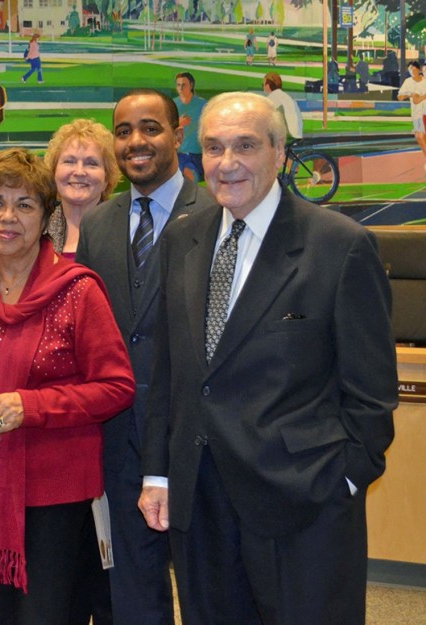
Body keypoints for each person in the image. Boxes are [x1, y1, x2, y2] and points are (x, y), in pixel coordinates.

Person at [139, 92, 397, 625]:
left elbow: (371, 392)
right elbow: (172, 372)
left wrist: (345, 479)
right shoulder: (182, 239)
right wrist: (159, 475)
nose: (227, 163)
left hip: (302, 501)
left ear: (279, 153)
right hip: (201, 503)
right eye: (213, 148)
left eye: (245, 146)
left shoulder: (340, 246)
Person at [0, 148, 135, 624]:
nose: (8, 217)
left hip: (59, 491)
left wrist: (30, 406)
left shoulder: (79, 290)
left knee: (47, 615)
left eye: (25, 205)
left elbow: (116, 386)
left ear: (46, 217)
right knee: (1, 614)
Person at [76, 88, 218, 625]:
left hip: (198, 436)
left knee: (210, 584)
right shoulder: (98, 225)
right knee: (132, 591)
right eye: (124, 130)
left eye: (151, 128)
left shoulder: (217, 213)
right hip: (120, 439)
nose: (136, 142)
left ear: (179, 135)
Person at [43, 118, 120, 257]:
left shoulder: (123, 230)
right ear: (54, 172)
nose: (79, 172)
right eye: (69, 161)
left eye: (91, 163)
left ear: (107, 178)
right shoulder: (36, 229)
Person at [174, 72, 206, 182]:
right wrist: (178, 124)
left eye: (184, 85)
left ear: (191, 85)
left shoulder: (203, 105)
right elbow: (164, 129)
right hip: (178, 154)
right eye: (178, 85)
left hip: (197, 154)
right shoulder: (172, 105)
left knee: (189, 177)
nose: (181, 88)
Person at [397, 61, 426, 171]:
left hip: (424, 112)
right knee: (419, 137)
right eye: (409, 69)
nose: (411, 71)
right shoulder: (408, 82)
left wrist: (420, 97)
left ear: (419, 70)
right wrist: (410, 94)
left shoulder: (424, 82)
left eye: (413, 68)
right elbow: (399, 97)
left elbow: (418, 99)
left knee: (421, 136)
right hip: (416, 114)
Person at [263, 72, 304, 140]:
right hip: (297, 135)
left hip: (289, 137)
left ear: (268, 86)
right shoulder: (286, 97)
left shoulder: (274, 97)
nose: (263, 87)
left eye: (263, 84)